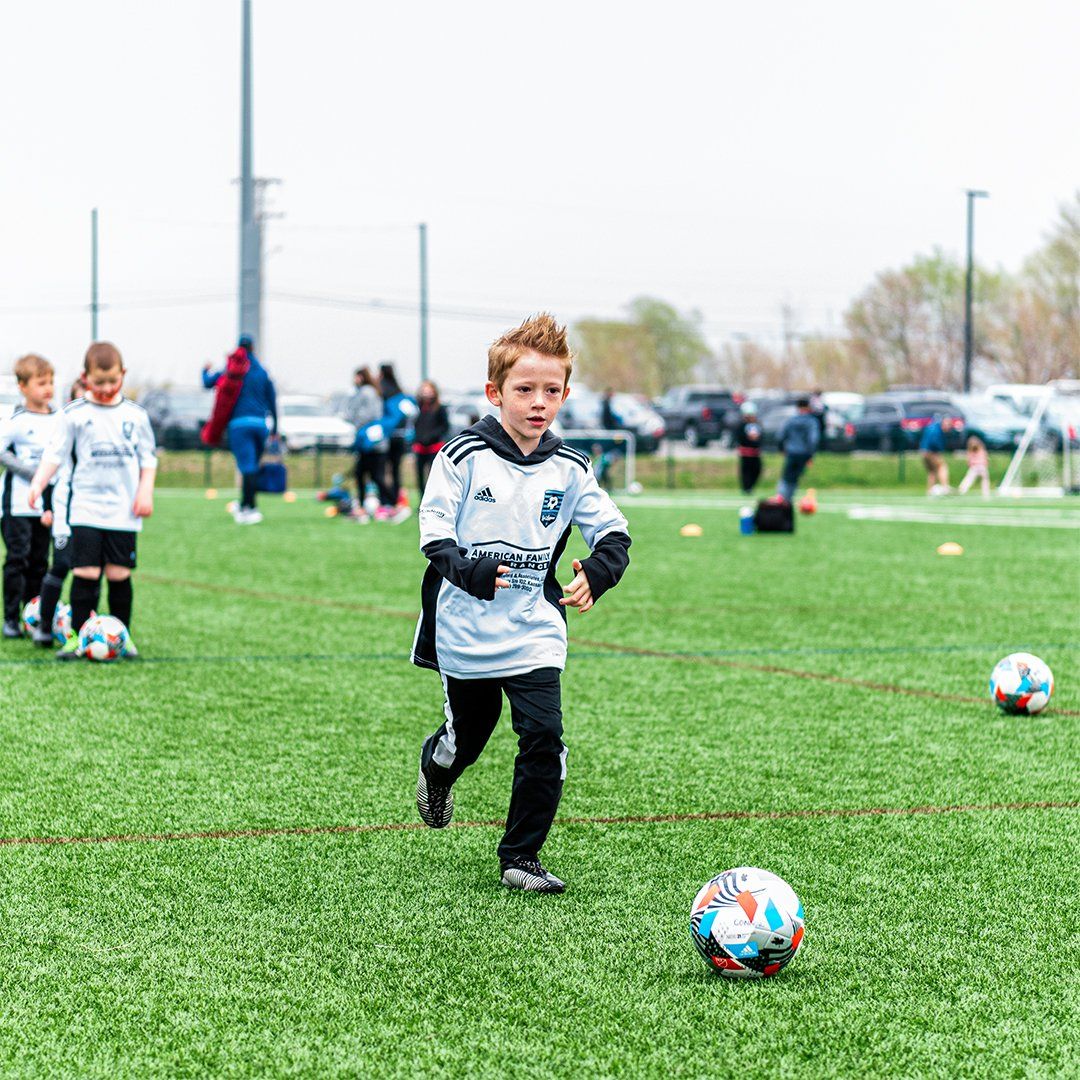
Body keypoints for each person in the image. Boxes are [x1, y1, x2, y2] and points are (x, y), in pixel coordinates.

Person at [411, 313, 632, 894]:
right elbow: (433, 535)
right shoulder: (461, 456)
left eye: (551, 391)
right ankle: (438, 767)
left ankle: (521, 856)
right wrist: (471, 570)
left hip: (534, 626)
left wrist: (599, 571)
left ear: (565, 395)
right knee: (468, 738)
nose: (539, 403)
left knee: (545, 737)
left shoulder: (572, 467)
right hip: (466, 629)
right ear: (495, 393)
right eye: (525, 389)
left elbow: (614, 533)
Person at [28, 342, 156, 660]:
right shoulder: (74, 415)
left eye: (113, 381)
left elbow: (148, 459)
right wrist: (38, 482)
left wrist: (145, 491)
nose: (107, 388)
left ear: (123, 374)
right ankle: (76, 638)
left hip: (123, 510)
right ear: (85, 378)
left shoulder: (136, 415)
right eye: (99, 382)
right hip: (85, 507)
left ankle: (123, 637)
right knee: (85, 573)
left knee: (119, 574)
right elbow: (54, 454)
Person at [0, 354, 58, 639]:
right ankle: (11, 618)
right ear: (23, 386)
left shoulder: (60, 419)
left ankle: (33, 616)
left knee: (40, 562)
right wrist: (32, 473)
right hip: (18, 505)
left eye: (50, 382)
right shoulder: (16, 420)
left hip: (47, 506)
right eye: (41, 383)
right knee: (18, 559)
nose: (48, 388)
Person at [202, 335, 277, 525]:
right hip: (260, 425)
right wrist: (275, 426)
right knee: (252, 467)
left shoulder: (232, 369)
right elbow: (272, 400)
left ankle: (249, 509)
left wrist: (205, 370)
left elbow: (208, 383)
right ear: (253, 348)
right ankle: (247, 504)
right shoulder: (262, 372)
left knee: (247, 467)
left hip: (239, 426)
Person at [36, 377, 85, 648]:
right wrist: (46, 506)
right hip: (66, 508)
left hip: (93, 511)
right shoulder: (63, 427)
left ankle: (84, 627)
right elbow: (50, 468)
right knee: (62, 564)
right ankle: (44, 625)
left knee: (88, 570)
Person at [379, 363, 417, 508]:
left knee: (383, 471)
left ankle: (387, 500)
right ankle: (394, 499)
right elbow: (412, 414)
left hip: (388, 437)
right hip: (400, 437)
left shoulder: (384, 393)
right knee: (395, 470)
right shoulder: (400, 394)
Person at [776, 397, 820, 503]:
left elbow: (780, 436)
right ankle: (788, 499)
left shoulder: (791, 420)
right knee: (795, 477)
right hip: (804, 454)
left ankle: (782, 498)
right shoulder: (811, 421)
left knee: (786, 477)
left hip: (791, 452)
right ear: (808, 407)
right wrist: (811, 455)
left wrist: (781, 449)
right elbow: (813, 439)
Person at [411, 380, 450, 496]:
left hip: (434, 447)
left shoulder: (440, 408)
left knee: (434, 476)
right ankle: (422, 498)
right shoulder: (418, 408)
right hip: (420, 448)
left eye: (428, 390)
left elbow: (445, 427)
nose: (426, 393)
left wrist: (431, 436)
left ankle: (435, 498)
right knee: (419, 476)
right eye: (424, 390)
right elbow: (415, 425)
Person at [919, 414, 955, 495]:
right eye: (948, 424)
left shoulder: (932, 427)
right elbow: (934, 442)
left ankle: (929, 491)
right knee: (942, 466)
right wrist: (939, 450)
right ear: (943, 422)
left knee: (932, 471)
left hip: (923, 452)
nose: (949, 427)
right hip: (931, 452)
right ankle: (945, 487)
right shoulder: (937, 431)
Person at [736, 402, 763, 494]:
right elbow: (740, 437)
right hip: (746, 453)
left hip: (756, 453)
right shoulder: (741, 425)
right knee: (746, 471)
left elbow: (760, 437)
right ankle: (746, 488)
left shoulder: (757, 425)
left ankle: (751, 486)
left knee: (757, 470)